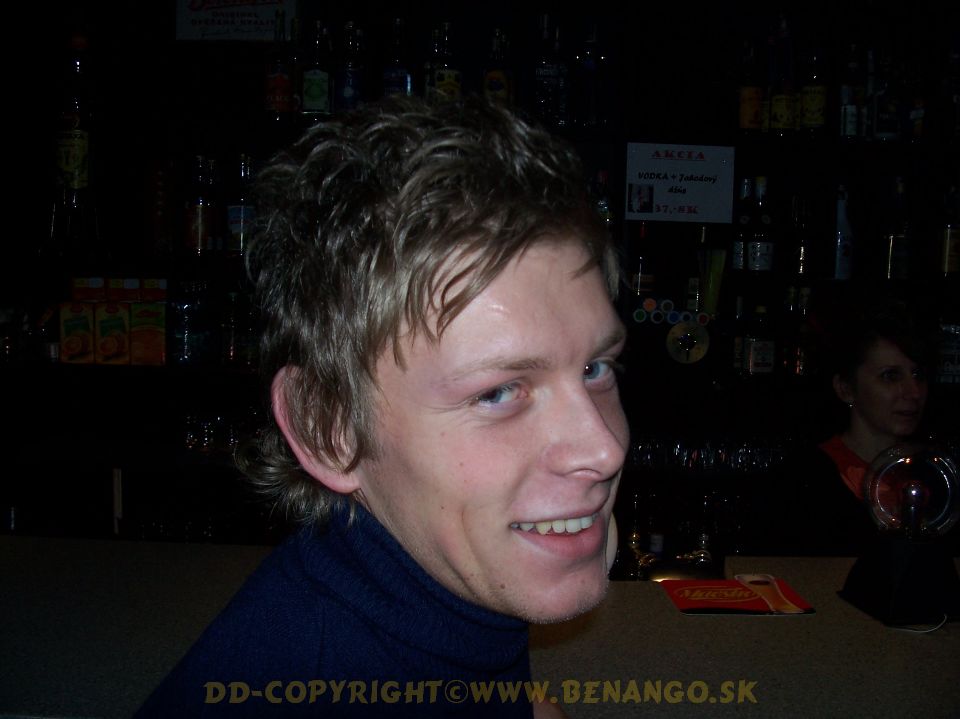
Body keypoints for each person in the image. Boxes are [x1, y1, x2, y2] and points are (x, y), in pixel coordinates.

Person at [135, 96, 628, 717]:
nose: (603, 448)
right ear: (328, 427)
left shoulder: (420, 585)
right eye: (498, 392)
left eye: (595, 368)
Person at [765, 294, 937, 555]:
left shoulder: (934, 474)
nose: (913, 392)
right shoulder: (806, 478)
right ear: (845, 388)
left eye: (918, 375)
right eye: (890, 376)